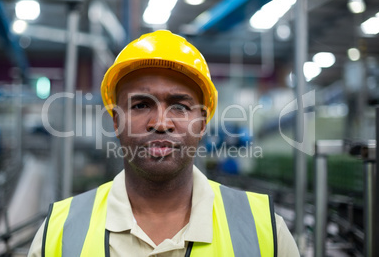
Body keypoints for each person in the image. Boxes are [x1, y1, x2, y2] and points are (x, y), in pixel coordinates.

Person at [28, 30, 299, 256]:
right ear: (115, 122)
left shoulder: (267, 234)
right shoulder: (57, 234)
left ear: (203, 123)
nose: (160, 122)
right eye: (141, 104)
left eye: (179, 106)